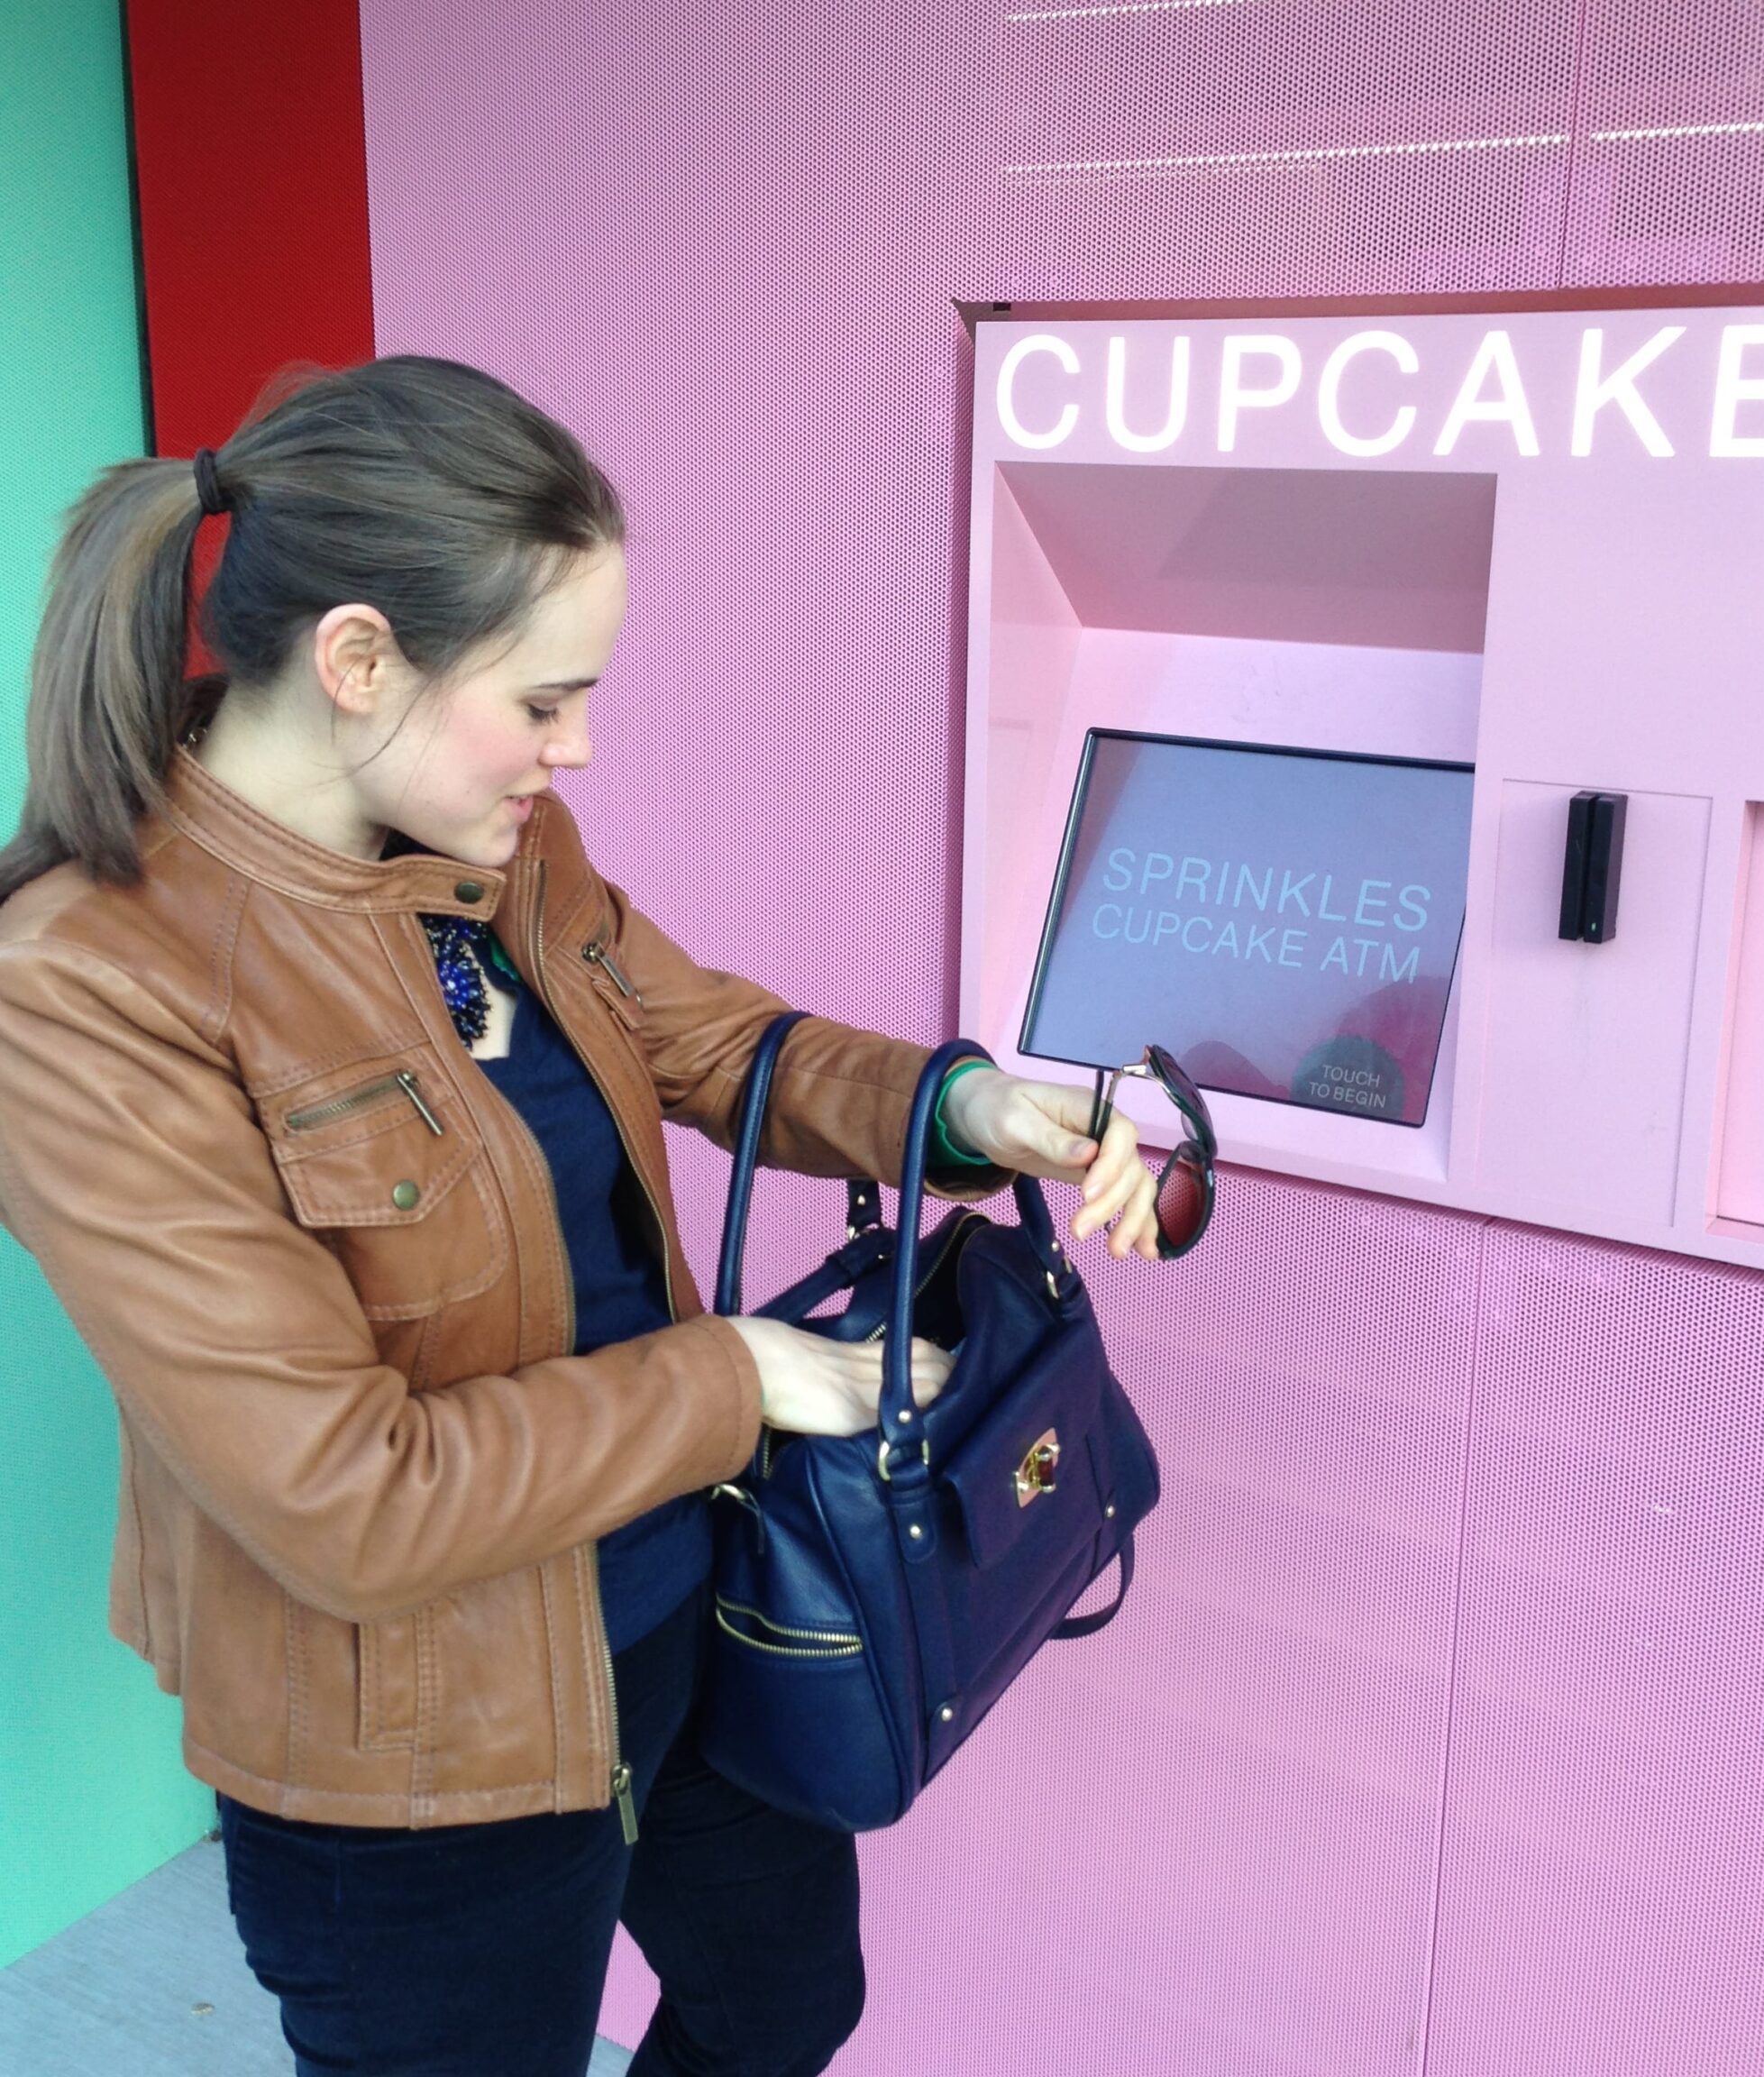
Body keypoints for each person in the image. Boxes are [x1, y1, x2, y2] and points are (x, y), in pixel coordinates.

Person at [0, 357, 1161, 2077]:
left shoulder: (493, 839)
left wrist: (961, 1110)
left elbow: (704, 1037)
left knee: (785, 2007)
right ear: (358, 660)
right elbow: (346, 1501)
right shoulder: (87, 994)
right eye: (545, 699)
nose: (579, 747)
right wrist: (735, 1381)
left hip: (682, 1616)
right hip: (417, 1762)